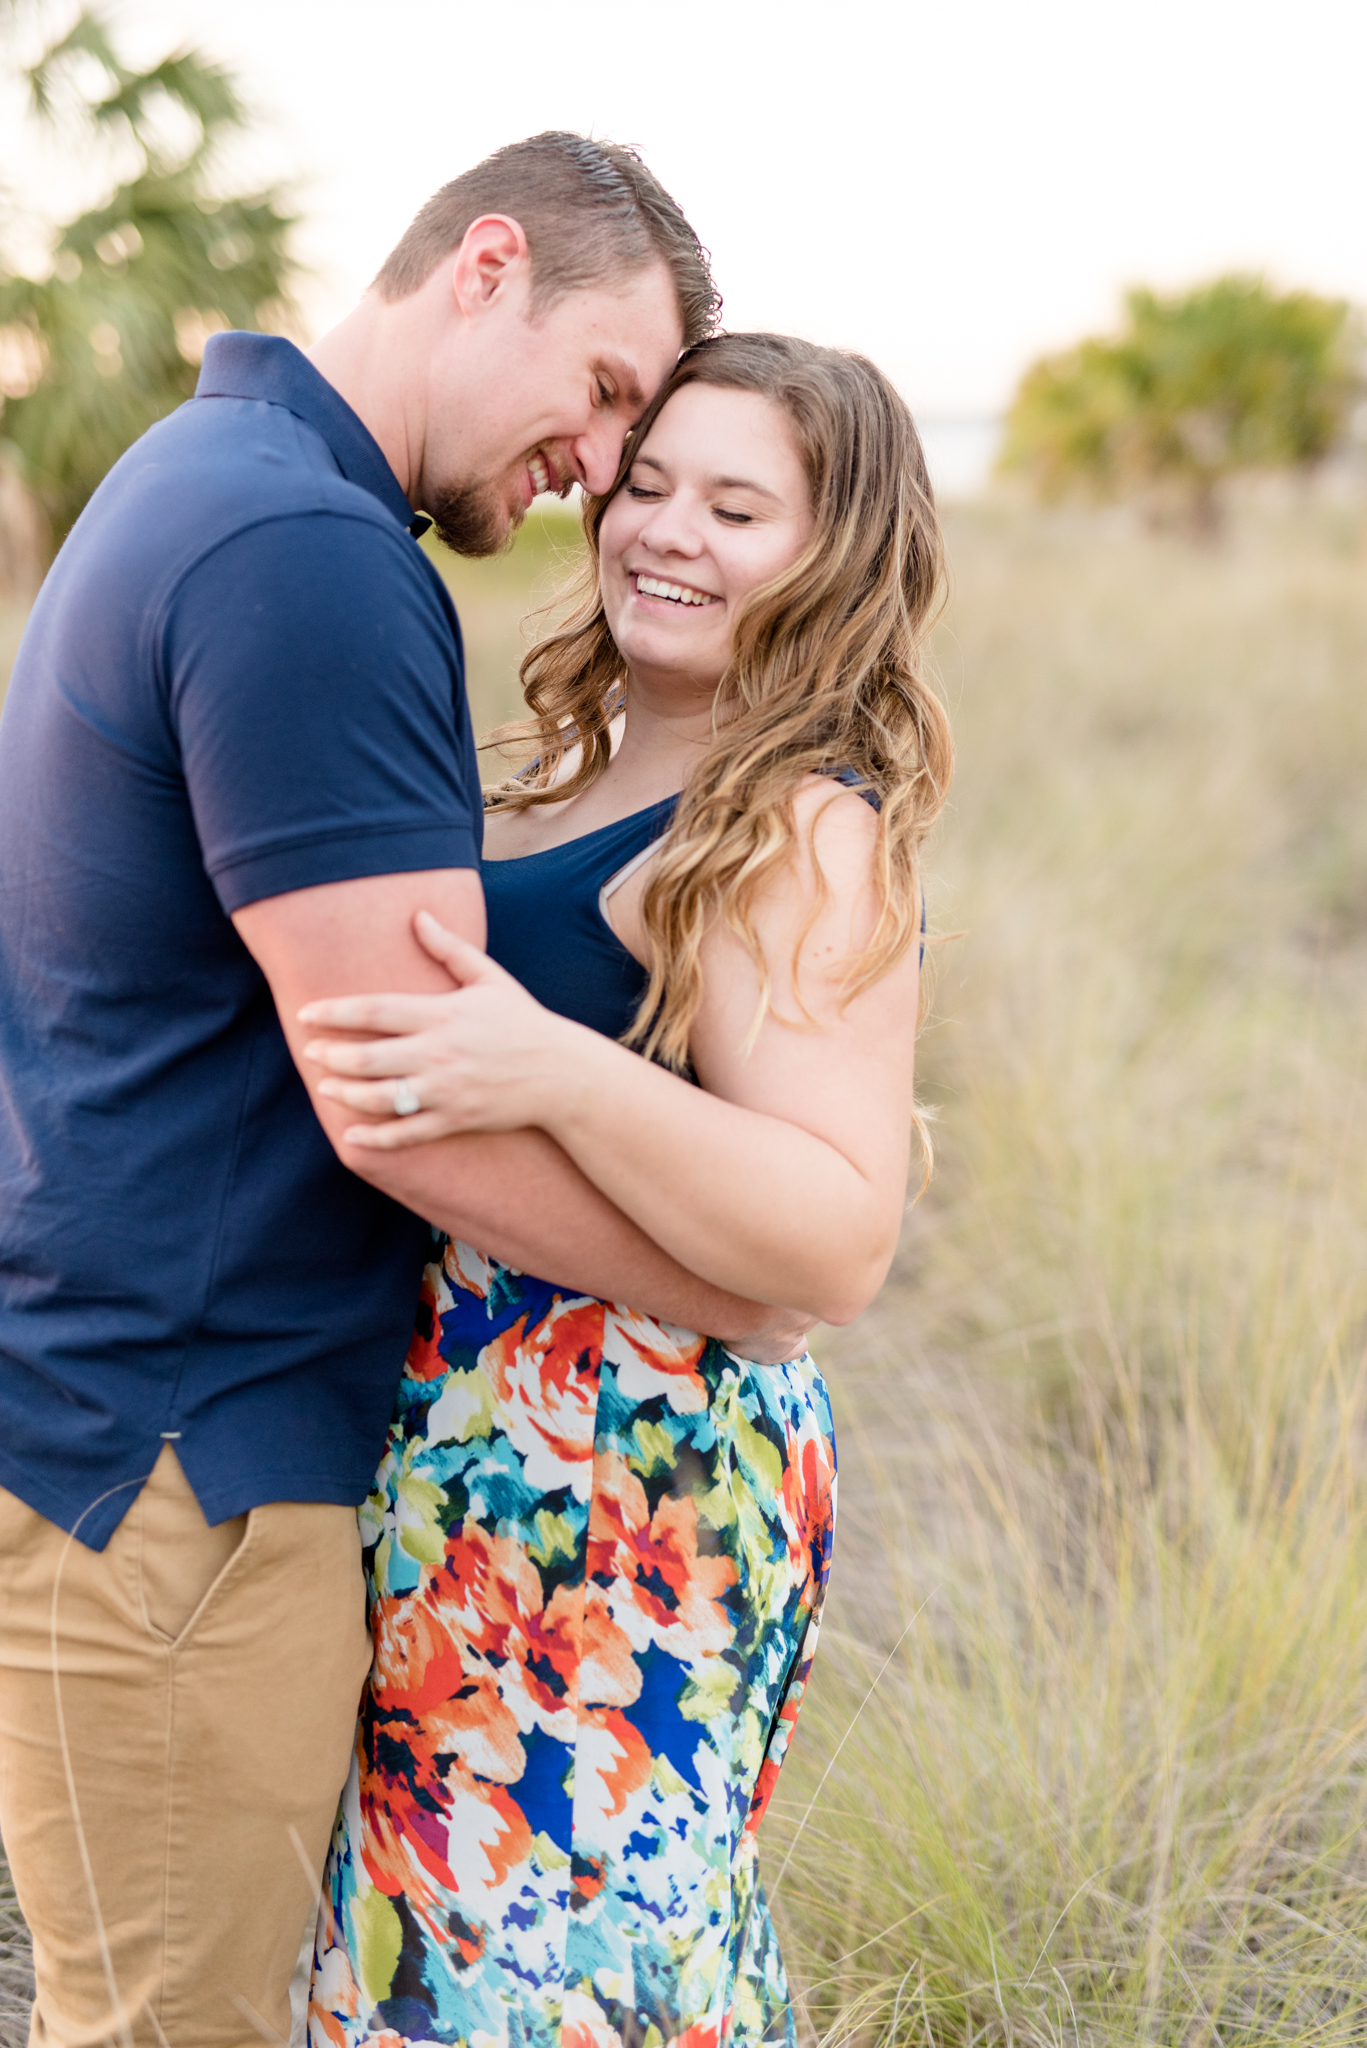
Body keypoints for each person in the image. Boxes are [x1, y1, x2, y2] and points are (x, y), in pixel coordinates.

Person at [0, 135, 803, 2048]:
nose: (600, 470)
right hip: (187, 1464)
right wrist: (741, 1289)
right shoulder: (307, 553)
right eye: (604, 393)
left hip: (169, 1430)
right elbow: (402, 1102)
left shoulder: (211, 482)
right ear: (485, 265)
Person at [298, 332, 953, 2048]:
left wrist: (555, 1070)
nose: (665, 530)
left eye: (739, 506)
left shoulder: (797, 825)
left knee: (554, 1978)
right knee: (453, 1961)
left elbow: (837, 1231)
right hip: (477, 1454)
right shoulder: (567, 768)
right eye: (649, 482)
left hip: (628, 1484)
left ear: (836, 557)